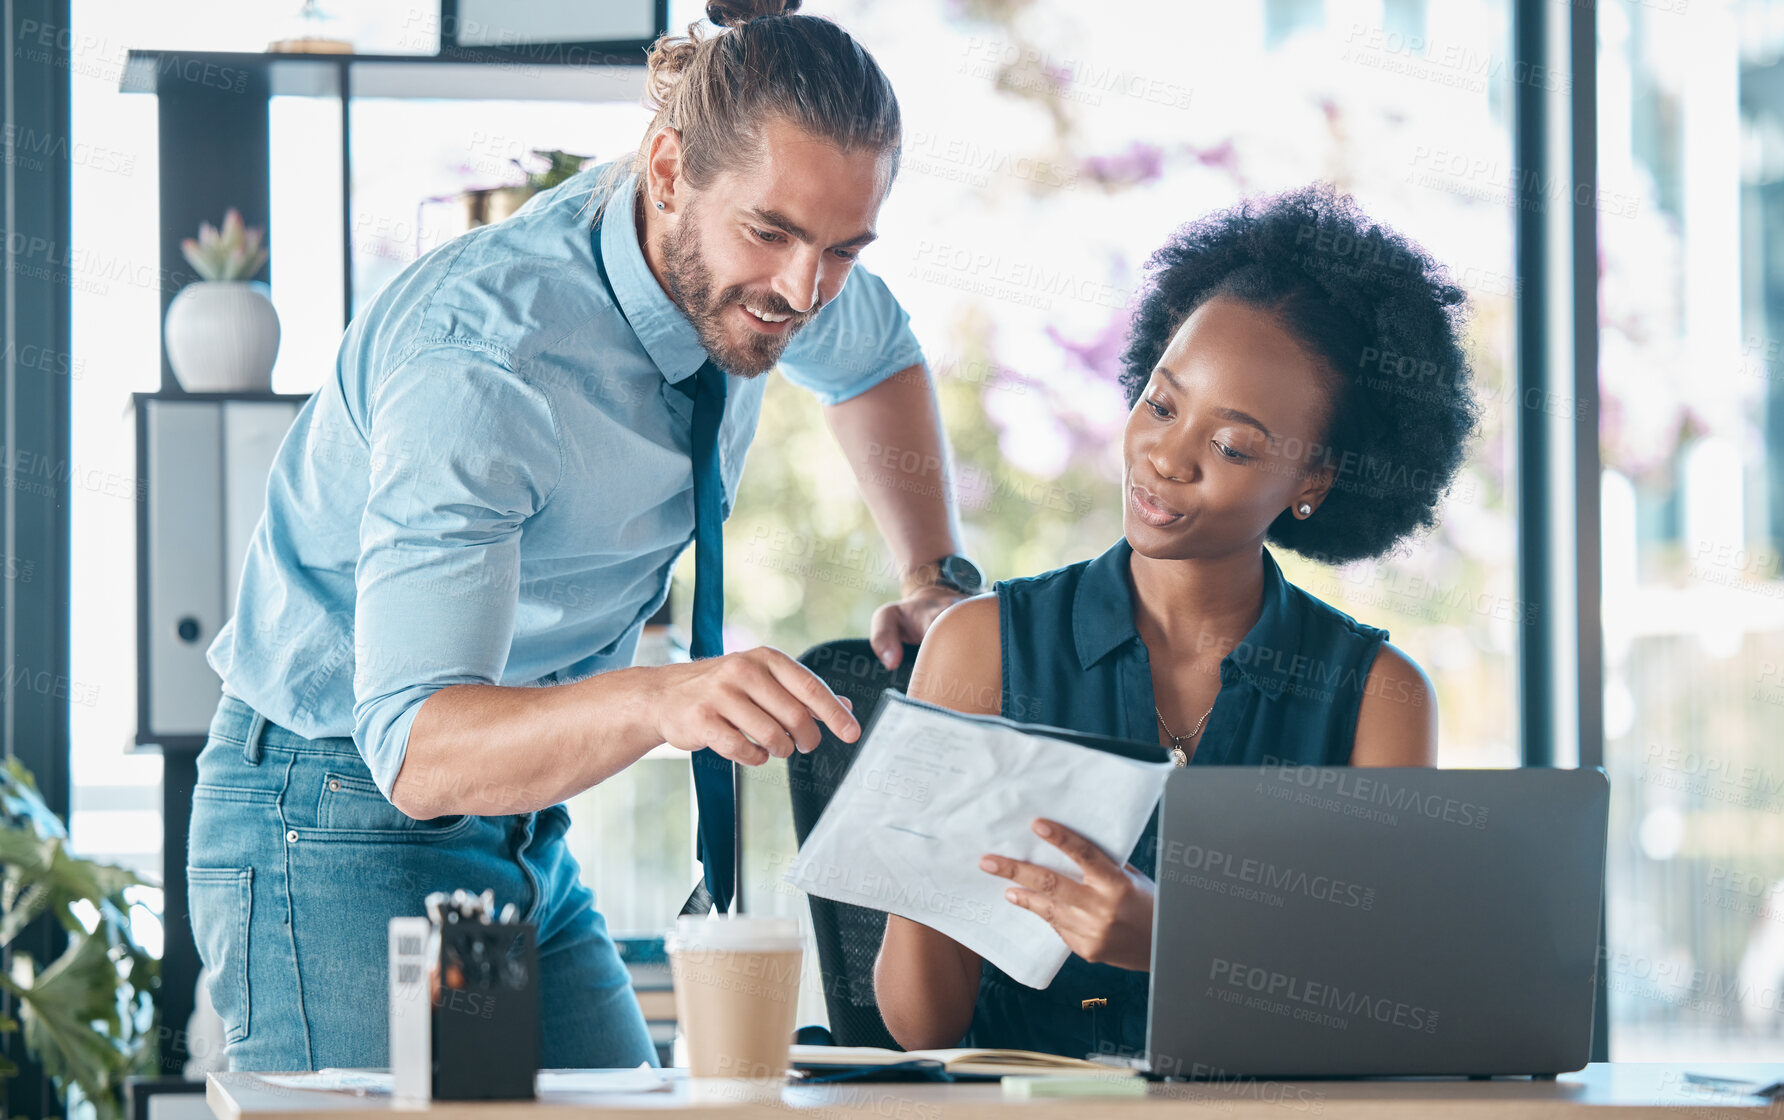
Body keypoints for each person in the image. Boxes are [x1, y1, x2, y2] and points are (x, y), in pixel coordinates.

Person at [187, 0, 987, 1071]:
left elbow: (874, 357)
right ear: (667, 170)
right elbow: (416, 753)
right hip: (336, 816)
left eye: (842, 247)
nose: (805, 290)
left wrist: (931, 573)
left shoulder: (769, 272)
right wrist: (665, 699)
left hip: (517, 827)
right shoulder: (486, 360)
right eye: (774, 235)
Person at [872, 184, 1482, 1059]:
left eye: (1232, 447)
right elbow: (919, 1026)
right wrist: (923, 855)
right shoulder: (979, 646)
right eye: (1161, 404)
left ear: (1315, 481)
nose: (1165, 456)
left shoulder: (1377, 698)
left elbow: (1380, 1016)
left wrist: (1178, 941)